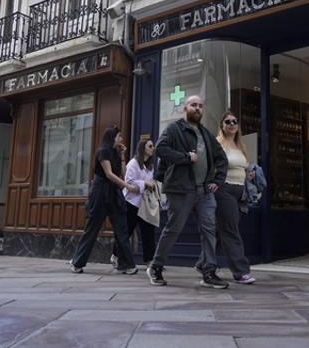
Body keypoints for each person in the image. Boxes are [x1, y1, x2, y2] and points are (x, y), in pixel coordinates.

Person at [148, 95, 229, 289]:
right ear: (185, 108)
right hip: (181, 190)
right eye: (193, 105)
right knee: (174, 229)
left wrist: (217, 180)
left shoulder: (206, 133)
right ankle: (156, 267)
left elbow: (221, 158)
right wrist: (185, 157)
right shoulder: (174, 129)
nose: (198, 109)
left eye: (201, 106)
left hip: (204, 191)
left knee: (209, 230)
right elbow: (160, 149)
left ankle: (209, 270)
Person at [70, 125, 138, 275]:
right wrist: (127, 186)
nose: (121, 139)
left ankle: (126, 265)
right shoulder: (103, 151)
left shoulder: (114, 152)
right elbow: (108, 174)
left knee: (122, 229)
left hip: (114, 193)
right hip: (100, 192)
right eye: (119, 136)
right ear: (112, 137)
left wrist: (122, 156)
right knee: (92, 229)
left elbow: (122, 173)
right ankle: (77, 262)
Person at [207, 111, 256, 285]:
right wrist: (212, 182)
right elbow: (209, 164)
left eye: (235, 121)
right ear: (222, 125)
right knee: (231, 230)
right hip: (224, 190)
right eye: (228, 121)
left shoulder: (239, 145)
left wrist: (248, 175)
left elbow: (243, 166)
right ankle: (240, 272)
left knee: (222, 232)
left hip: (240, 192)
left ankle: (204, 264)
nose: (232, 124)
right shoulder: (217, 143)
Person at [122, 137, 157, 269]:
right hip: (131, 203)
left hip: (145, 203)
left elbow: (150, 182)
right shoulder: (133, 163)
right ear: (143, 148)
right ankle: (115, 255)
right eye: (150, 146)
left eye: (153, 146)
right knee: (127, 231)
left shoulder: (150, 166)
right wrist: (145, 183)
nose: (153, 148)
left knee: (148, 231)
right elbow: (129, 182)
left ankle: (149, 260)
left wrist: (151, 184)